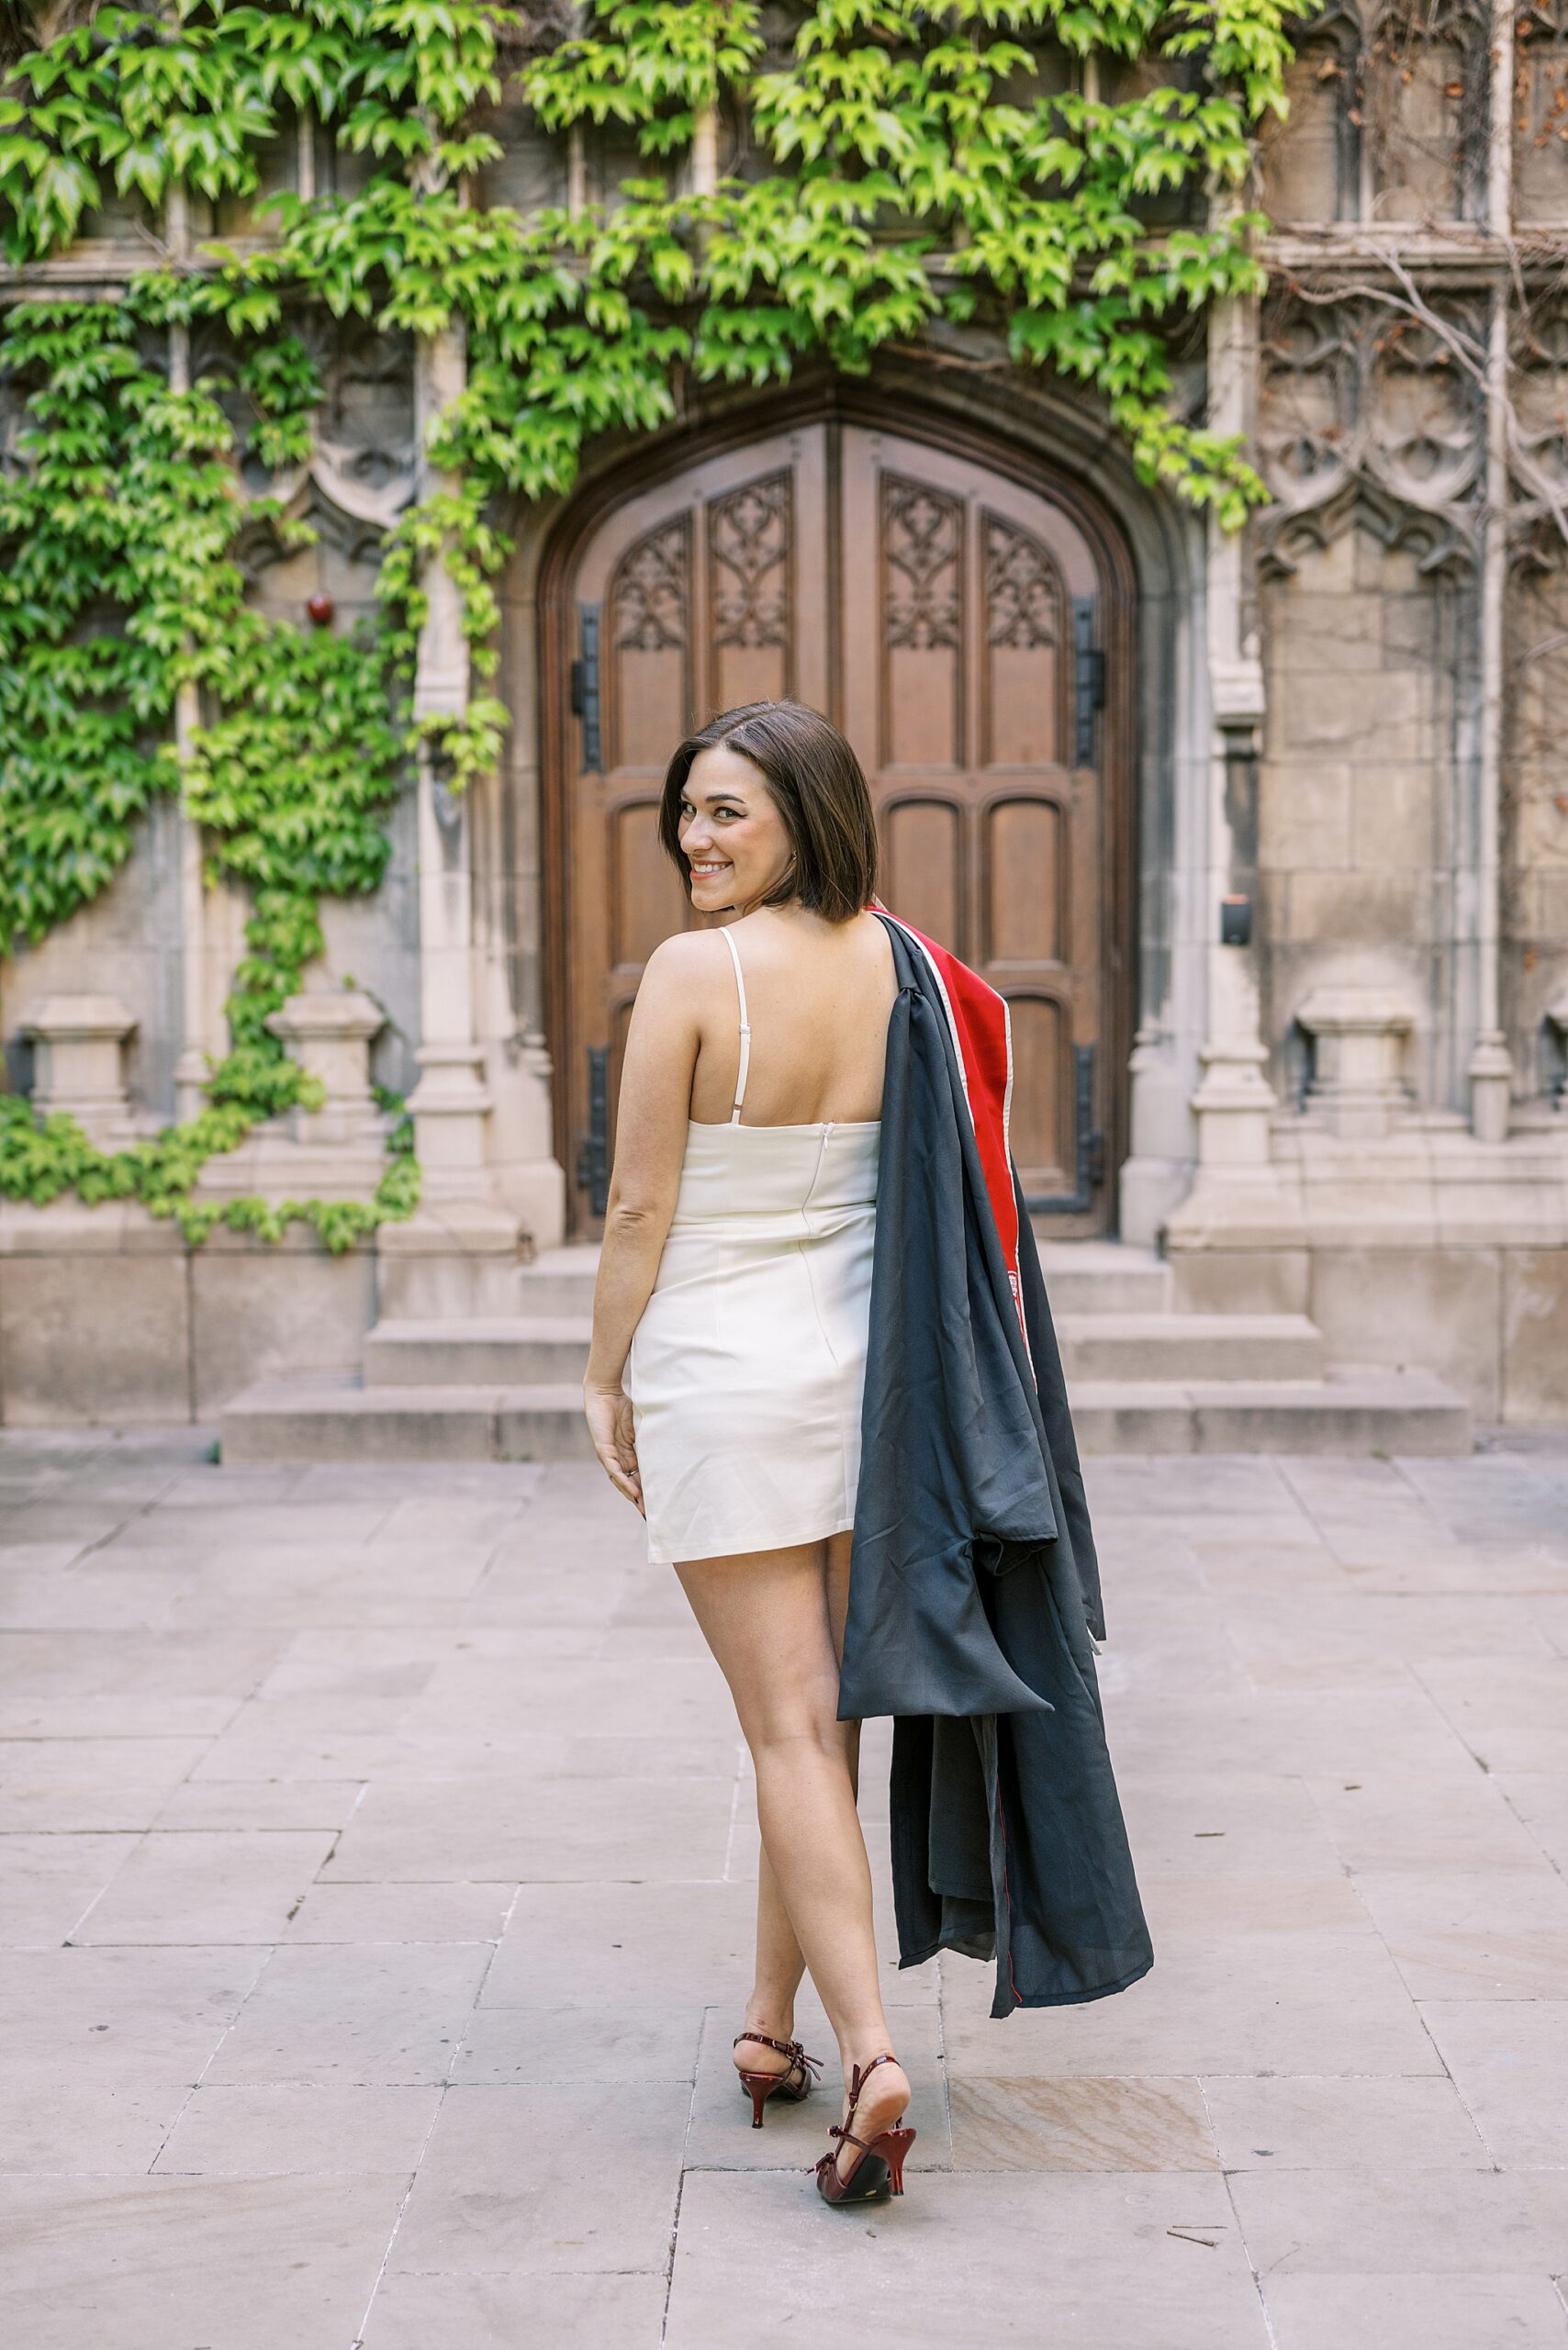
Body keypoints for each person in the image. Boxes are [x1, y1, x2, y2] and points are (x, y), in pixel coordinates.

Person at [582, 699, 915, 2205]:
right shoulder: (900, 964)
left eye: (727, 812)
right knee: (823, 1730)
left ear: (803, 812)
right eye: (688, 811)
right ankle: (771, 2028)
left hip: (724, 1365)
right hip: (863, 1371)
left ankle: (875, 2053)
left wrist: (605, 1377)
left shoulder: (693, 972)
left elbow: (637, 1205)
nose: (693, 839)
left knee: (785, 1730)